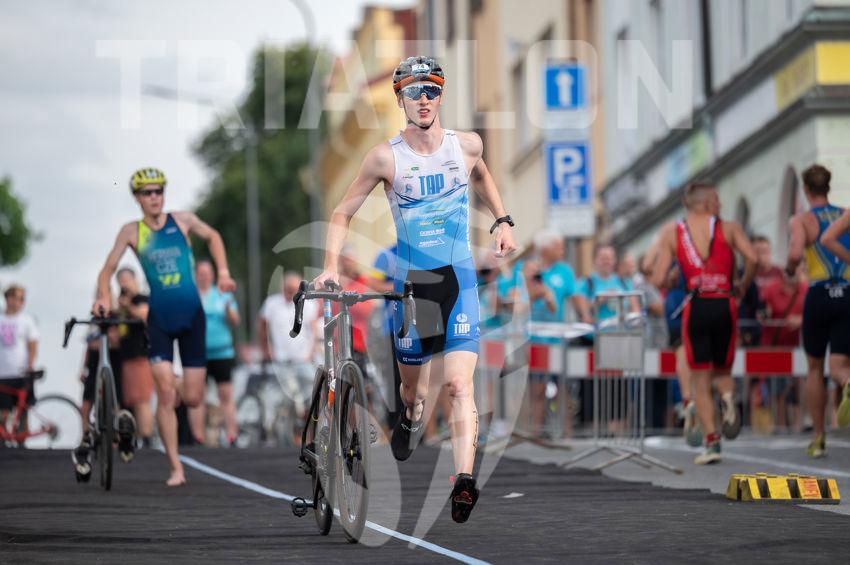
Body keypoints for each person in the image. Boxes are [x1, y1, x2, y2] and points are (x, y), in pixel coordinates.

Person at [311, 56, 517, 523]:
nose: (423, 99)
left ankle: (464, 481)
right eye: (413, 92)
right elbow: (342, 211)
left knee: (460, 384)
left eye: (431, 90)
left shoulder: (466, 145)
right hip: (413, 288)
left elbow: (481, 174)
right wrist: (330, 267)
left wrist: (502, 220)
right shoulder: (385, 157)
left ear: (441, 95)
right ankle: (409, 415)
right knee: (413, 391)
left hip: (458, 280)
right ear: (400, 99)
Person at [91, 167, 235, 486]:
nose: (155, 197)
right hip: (160, 319)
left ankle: (177, 382)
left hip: (192, 316)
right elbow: (107, 269)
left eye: (159, 191)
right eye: (148, 193)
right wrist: (103, 296)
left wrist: (223, 272)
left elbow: (213, 236)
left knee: (193, 398)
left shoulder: (182, 220)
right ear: (137, 198)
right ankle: (175, 467)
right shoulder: (132, 231)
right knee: (165, 393)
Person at [650, 182, 757, 464]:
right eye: (717, 201)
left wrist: (672, 278)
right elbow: (753, 257)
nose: (720, 205)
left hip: (696, 305)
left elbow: (657, 278)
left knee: (699, 378)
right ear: (707, 203)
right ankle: (728, 399)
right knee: (722, 371)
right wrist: (742, 285)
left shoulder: (674, 232)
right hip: (724, 302)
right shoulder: (729, 228)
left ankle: (712, 443)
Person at [788, 164, 850, 457]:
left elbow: (794, 253)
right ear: (828, 186)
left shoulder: (802, 220)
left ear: (805, 189)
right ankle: (848, 382)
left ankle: (818, 437)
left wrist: (790, 268)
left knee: (814, 368)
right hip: (847, 293)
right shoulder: (844, 215)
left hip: (819, 293)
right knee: (840, 366)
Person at [258, 271, 321, 435]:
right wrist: (266, 349)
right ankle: (278, 430)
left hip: (303, 359)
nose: (290, 292)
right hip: (281, 360)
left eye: (293, 288)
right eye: (287, 288)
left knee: (311, 392)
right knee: (283, 398)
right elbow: (261, 326)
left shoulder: (309, 304)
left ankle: (308, 427)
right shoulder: (272, 303)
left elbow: (314, 331)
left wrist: (311, 352)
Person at [189, 260, 240, 447]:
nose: (204, 277)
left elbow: (235, 321)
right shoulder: (191, 295)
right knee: (197, 396)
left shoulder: (222, 294)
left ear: (212, 275)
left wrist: (227, 309)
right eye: (200, 273)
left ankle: (232, 435)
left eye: (207, 273)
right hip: (197, 352)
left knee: (225, 394)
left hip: (222, 352)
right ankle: (198, 437)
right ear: (196, 275)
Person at [116, 267, 154, 446]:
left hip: (140, 355)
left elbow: (144, 315)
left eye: (126, 280)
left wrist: (128, 305)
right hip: (126, 356)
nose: (123, 284)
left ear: (134, 279)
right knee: (131, 399)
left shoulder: (141, 299)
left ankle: (147, 437)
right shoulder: (122, 304)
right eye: (120, 281)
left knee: (141, 398)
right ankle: (138, 436)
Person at [0, 285, 39, 429]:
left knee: (23, 412)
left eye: (22, 299)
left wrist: (30, 365)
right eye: (17, 298)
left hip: (21, 373)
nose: (20, 302)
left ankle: (22, 440)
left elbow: (33, 345)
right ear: (8, 299)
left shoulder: (27, 320)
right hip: (3, 374)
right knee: (3, 414)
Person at [574, 245, 638, 328]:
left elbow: (636, 311)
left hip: (622, 333)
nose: (607, 262)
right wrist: (599, 300)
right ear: (595, 260)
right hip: (597, 334)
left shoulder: (624, 282)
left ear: (615, 261)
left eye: (610, 258)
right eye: (603, 258)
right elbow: (583, 313)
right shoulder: (586, 282)